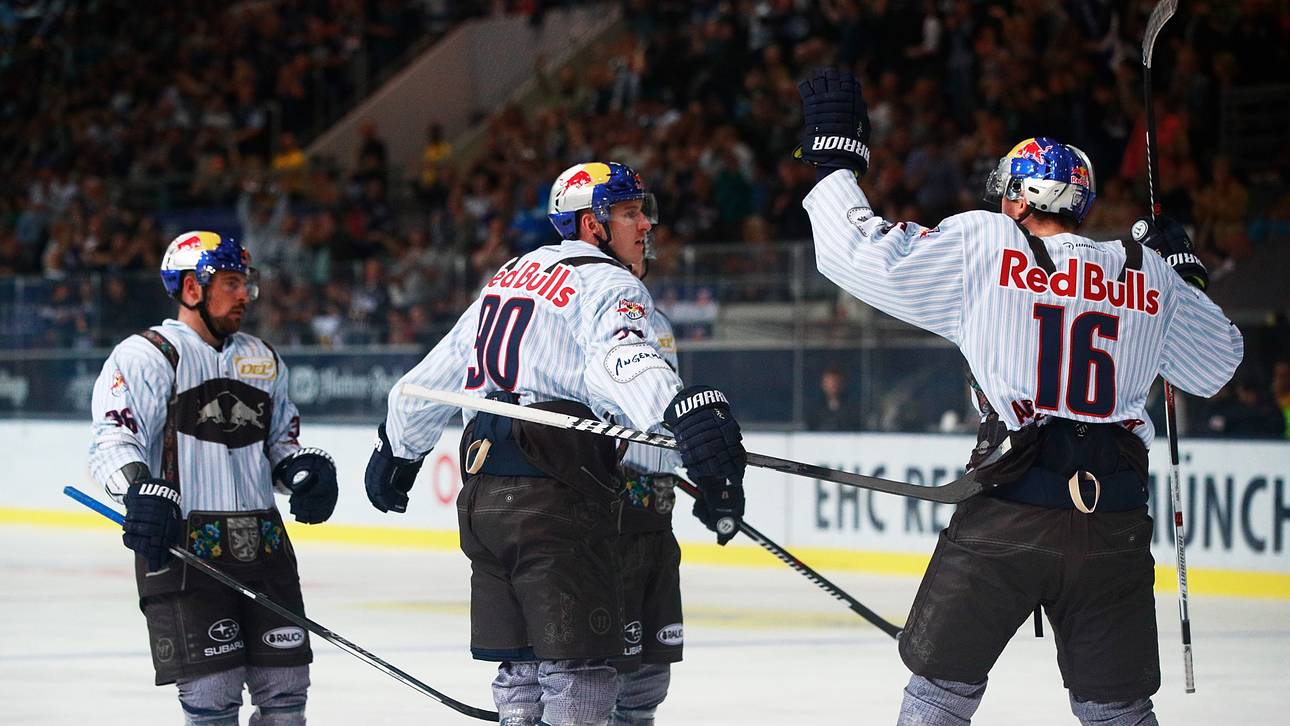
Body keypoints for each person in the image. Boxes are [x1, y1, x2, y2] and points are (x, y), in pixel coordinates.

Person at [796, 68, 1244, 725]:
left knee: (940, 694)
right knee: (1118, 711)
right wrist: (1184, 276)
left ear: (1018, 197)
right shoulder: (1145, 270)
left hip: (1009, 513)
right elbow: (1218, 364)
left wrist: (835, 164)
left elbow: (856, 253)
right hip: (1112, 521)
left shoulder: (990, 245)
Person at [365, 161, 747, 726]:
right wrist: (678, 411)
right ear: (593, 224)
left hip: (484, 501)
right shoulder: (613, 284)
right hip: (556, 500)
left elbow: (434, 375)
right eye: (630, 213)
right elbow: (622, 358)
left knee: (520, 678)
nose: (645, 224)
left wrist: (398, 451)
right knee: (580, 679)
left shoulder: (511, 273)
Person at [88, 231, 339, 726]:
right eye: (230, 283)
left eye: (246, 283)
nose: (245, 294)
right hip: (186, 548)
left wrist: (303, 471)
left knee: (288, 693)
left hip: (266, 547)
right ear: (191, 289)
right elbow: (113, 439)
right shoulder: (147, 354)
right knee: (212, 694)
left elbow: (279, 445)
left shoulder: (262, 358)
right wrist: (139, 490)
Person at [610, 258, 685, 726]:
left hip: (657, 511)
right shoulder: (593, 317)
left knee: (652, 665)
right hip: (610, 517)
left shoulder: (658, 321)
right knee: (602, 664)